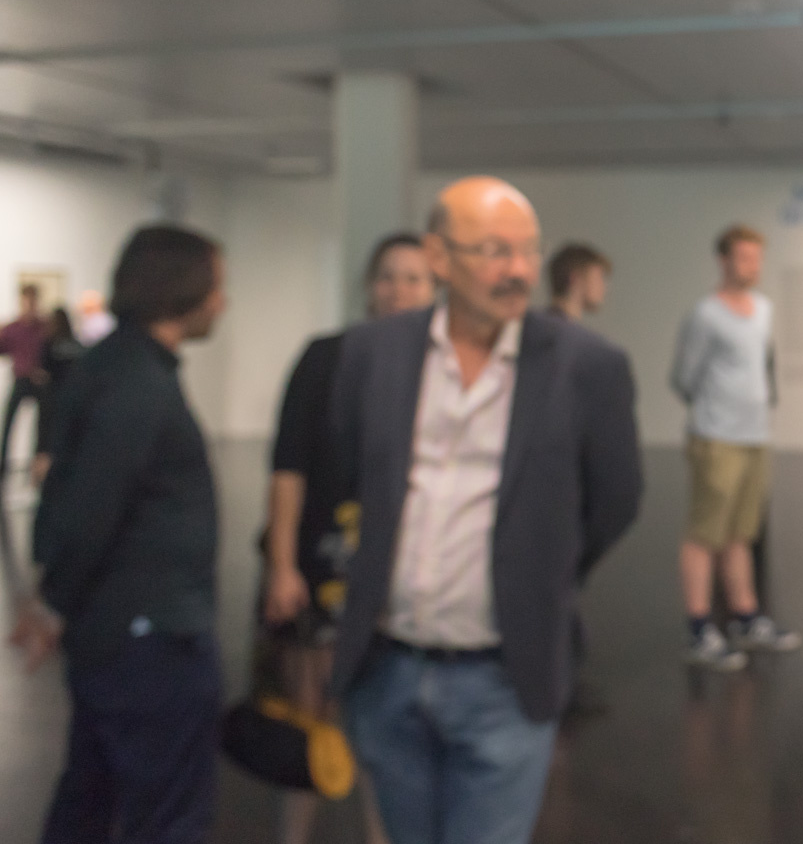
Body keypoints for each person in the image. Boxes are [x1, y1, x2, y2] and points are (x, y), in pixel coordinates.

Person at [329, 176, 643, 844]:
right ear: (438, 258)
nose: (519, 270)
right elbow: (350, 473)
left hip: (504, 674)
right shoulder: (372, 353)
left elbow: (616, 499)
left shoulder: (587, 366)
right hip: (388, 670)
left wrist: (545, 567)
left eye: (529, 250)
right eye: (494, 251)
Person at [9, 225, 227, 844]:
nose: (221, 301)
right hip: (148, 640)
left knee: (90, 795)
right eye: (216, 286)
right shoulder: (137, 381)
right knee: (164, 815)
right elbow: (92, 503)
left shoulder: (120, 366)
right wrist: (52, 603)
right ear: (181, 288)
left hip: (121, 634)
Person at [261, 232, 432, 844]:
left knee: (390, 730)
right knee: (314, 719)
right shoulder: (324, 357)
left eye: (414, 278)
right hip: (326, 564)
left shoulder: (442, 369)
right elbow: (288, 467)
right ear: (368, 285)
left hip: (410, 574)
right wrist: (283, 564)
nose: (399, 290)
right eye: (388, 276)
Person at [670, 224, 801, 671]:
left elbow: (763, 365)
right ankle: (698, 628)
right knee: (705, 533)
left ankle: (745, 616)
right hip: (716, 436)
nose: (752, 266)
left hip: (754, 436)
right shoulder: (705, 315)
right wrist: (713, 412)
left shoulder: (763, 309)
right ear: (724, 261)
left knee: (741, 533)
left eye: (757, 258)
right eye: (744, 257)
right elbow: (683, 377)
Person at [29, 307, 87, 487]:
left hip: (50, 398)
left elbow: (42, 371)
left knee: (44, 439)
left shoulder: (49, 344)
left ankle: (40, 477)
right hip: (71, 399)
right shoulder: (76, 345)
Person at [0, 283, 47, 494]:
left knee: (43, 427)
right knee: (9, 423)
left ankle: (36, 469)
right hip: (20, 380)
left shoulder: (44, 327)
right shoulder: (14, 328)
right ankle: (3, 466)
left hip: (39, 382)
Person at [548, 242, 612, 320]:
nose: (603, 287)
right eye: (597, 279)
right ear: (575, 278)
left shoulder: (533, 322)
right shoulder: (571, 331)